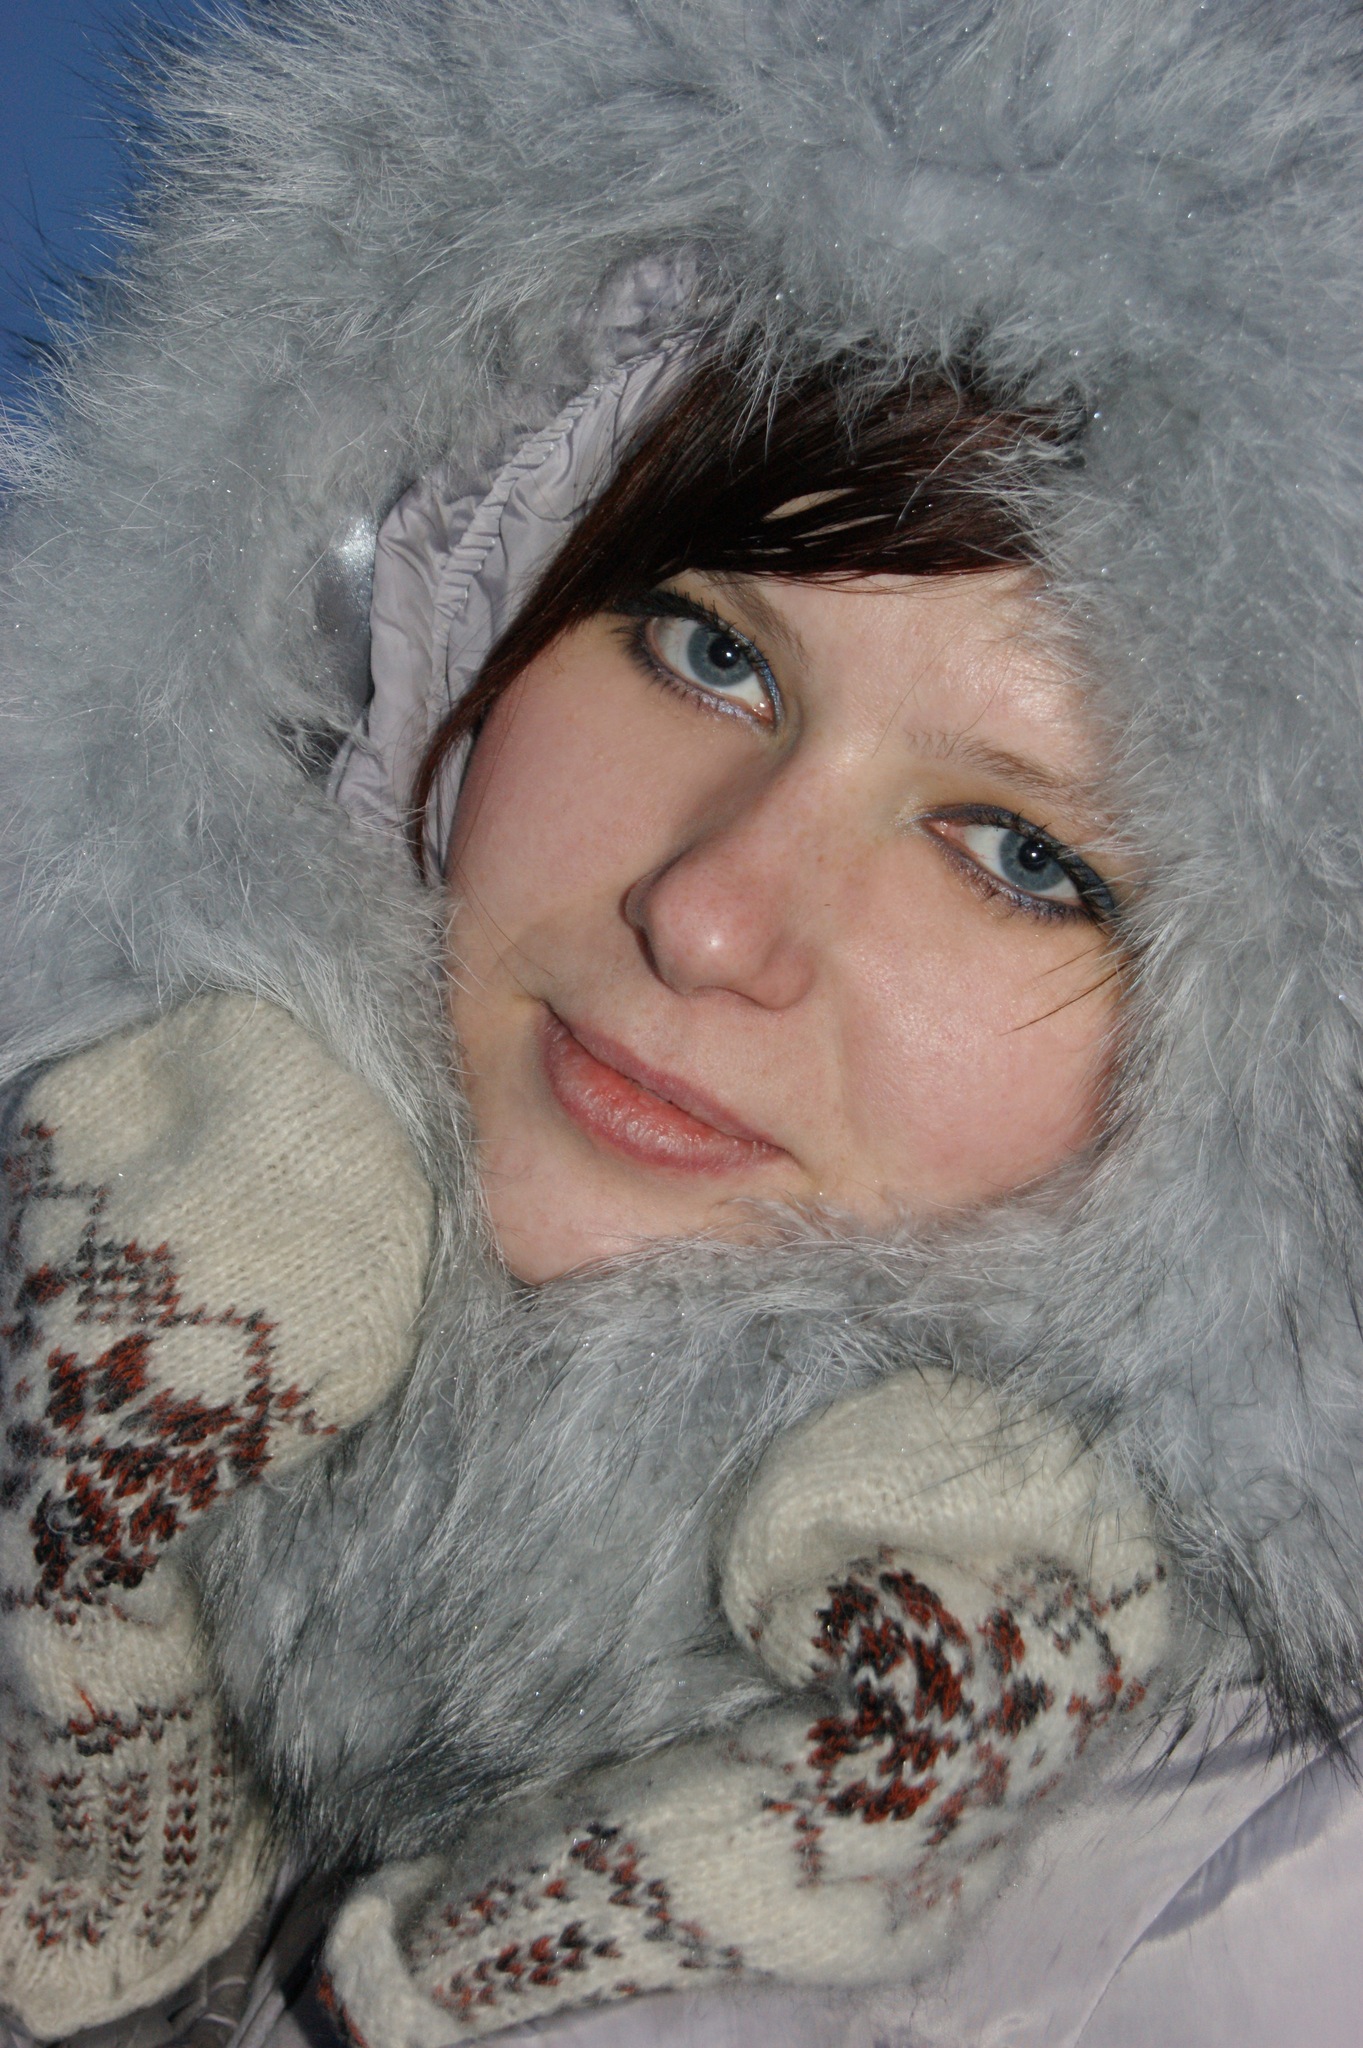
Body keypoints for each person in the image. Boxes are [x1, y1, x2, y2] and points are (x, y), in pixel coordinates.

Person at [1, 3, 1361, 2045]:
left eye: (1020, 857)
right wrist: (88, 1845)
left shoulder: (1276, 1922)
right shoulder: (102, 1284)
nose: (707, 912)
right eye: (709, 652)